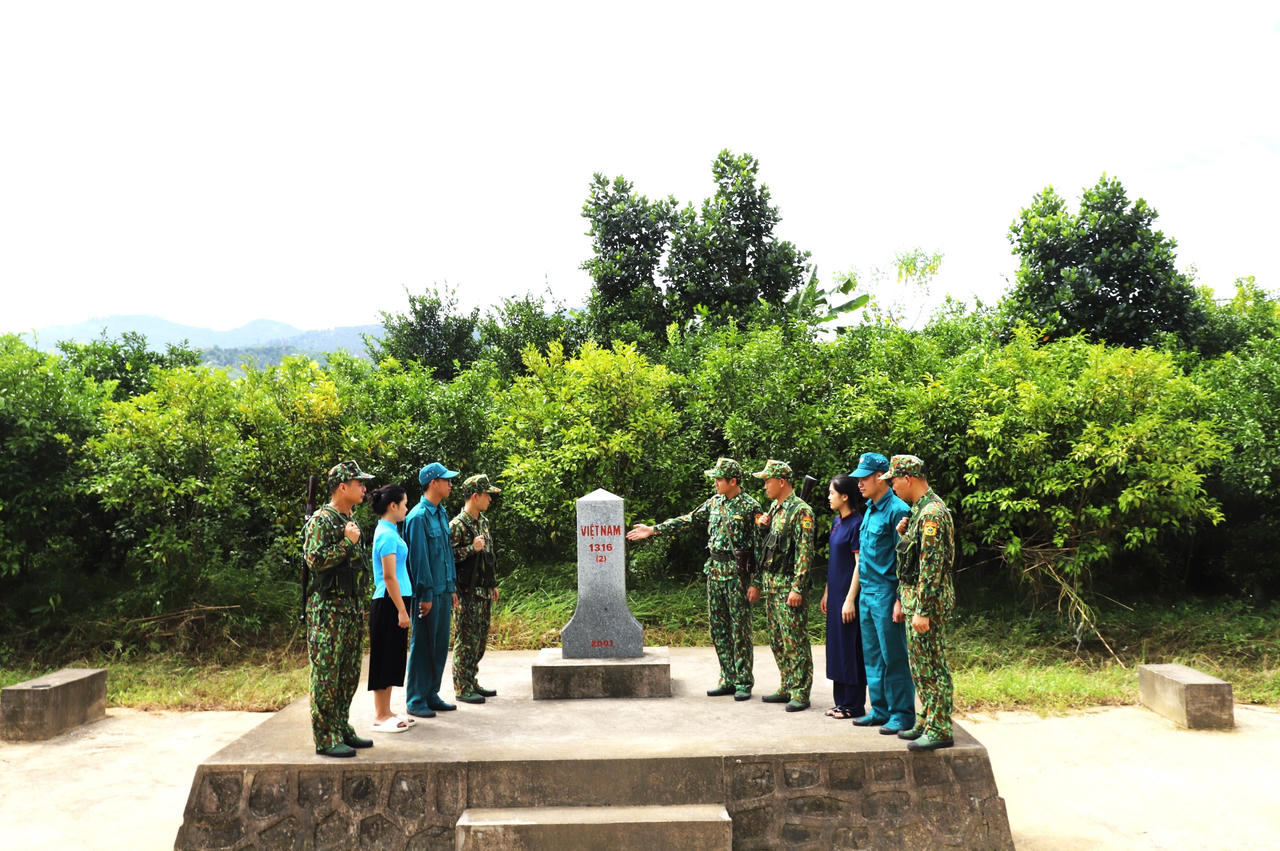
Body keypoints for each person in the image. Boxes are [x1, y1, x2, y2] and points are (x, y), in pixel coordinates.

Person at [627, 458, 762, 700]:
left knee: (740, 629)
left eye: (719, 479)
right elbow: (689, 519)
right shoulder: (714, 502)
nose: (715, 483)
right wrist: (653, 529)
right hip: (715, 571)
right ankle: (727, 678)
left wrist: (756, 582)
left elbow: (761, 548)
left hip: (737, 574)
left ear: (733, 481)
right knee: (719, 629)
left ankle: (743, 681)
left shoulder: (751, 507)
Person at [302, 460, 374, 757]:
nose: (364, 488)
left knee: (348, 673)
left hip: (350, 609)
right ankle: (325, 736)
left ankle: (341, 725)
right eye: (359, 483)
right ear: (342, 487)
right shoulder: (322, 519)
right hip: (327, 611)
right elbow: (314, 560)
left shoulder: (350, 519)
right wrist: (347, 543)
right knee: (326, 676)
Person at [884, 454, 956, 751]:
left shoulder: (932, 514)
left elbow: (931, 565)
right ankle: (926, 718)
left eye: (894, 481)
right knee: (919, 666)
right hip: (914, 599)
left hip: (927, 603)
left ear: (908, 479)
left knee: (931, 666)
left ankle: (940, 728)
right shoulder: (918, 511)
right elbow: (911, 561)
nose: (892, 487)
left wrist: (923, 609)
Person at [848, 451, 916, 736]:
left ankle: (902, 714)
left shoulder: (897, 510)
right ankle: (880, 709)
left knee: (894, 656)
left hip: (888, 593)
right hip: (868, 592)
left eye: (864, 478)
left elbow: (906, 558)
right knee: (873, 655)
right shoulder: (870, 510)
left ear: (880, 477)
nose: (859, 484)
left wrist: (901, 597)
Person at [752, 459, 815, 711]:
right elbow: (770, 547)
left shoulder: (801, 510)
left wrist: (798, 587)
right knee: (777, 639)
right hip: (771, 583)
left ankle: (801, 691)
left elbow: (804, 552)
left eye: (768, 481)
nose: (765, 485)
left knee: (794, 640)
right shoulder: (775, 508)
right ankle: (787, 684)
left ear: (781, 482)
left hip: (788, 585)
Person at [404, 462, 460, 718]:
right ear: (432, 483)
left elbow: (446, 554)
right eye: (446, 479)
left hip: (443, 590)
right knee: (423, 646)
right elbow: (419, 560)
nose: (450, 483)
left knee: (439, 645)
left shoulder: (440, 512)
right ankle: (416, 699)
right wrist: (424, 594)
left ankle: (431, 693)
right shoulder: (417, 516)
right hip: (427, 594)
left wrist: (451, 587)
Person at [450, 474, 502, 704]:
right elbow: (449, 558)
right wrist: (471, 547)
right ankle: (462, 687)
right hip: (466, 591)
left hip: (483, 590)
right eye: (487, 494)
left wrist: (492, 583)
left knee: (480, 639)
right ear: (475, 496)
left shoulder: (483, 522)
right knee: (466, 639)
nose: (490, 499)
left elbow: (488, 557)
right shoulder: (457, 525)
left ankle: (471, 681)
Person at [367, 483, 414, 733]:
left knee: (394, 656)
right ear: (393, 506)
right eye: (404, 504)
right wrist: (402, 610)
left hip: (397, 600)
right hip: (388, 601)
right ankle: (379, 715)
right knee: (384, 656)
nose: (406, 508)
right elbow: (388, 576)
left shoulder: (391, 531)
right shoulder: (385, 534)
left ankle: (387, 711)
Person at [821, 474, 867, 719]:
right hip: (836, 592)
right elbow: (835, 561)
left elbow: (859, 565)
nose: (829, 497)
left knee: (851, 647)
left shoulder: (857, 524)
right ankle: (840, 701)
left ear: (845, 496)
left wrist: (850, 599)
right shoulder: (837, 522)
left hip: (850, 595)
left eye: (832, 493)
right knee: (837, 648)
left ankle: (854, 704)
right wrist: (828, 592)